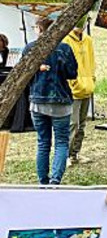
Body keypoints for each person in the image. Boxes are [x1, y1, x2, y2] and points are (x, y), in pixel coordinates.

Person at [26, 17, 78, 185]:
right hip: (60, 101)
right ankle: (55, 180)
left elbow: (23, 75)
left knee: (43, 142)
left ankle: (43, 181)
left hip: (37, 100)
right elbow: (72, 73)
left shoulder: (29, 48)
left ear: (40, 29)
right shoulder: (64, 48)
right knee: (61, 142)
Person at [65, 15, 94, 165]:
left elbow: (91, 62)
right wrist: (73, 83)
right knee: (72, 124)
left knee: (82, 125)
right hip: (73, 91)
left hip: (87, 88)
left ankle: (75, 154)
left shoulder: (88, 40)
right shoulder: (66, 40)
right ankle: (66, 155)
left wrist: (92, 80)